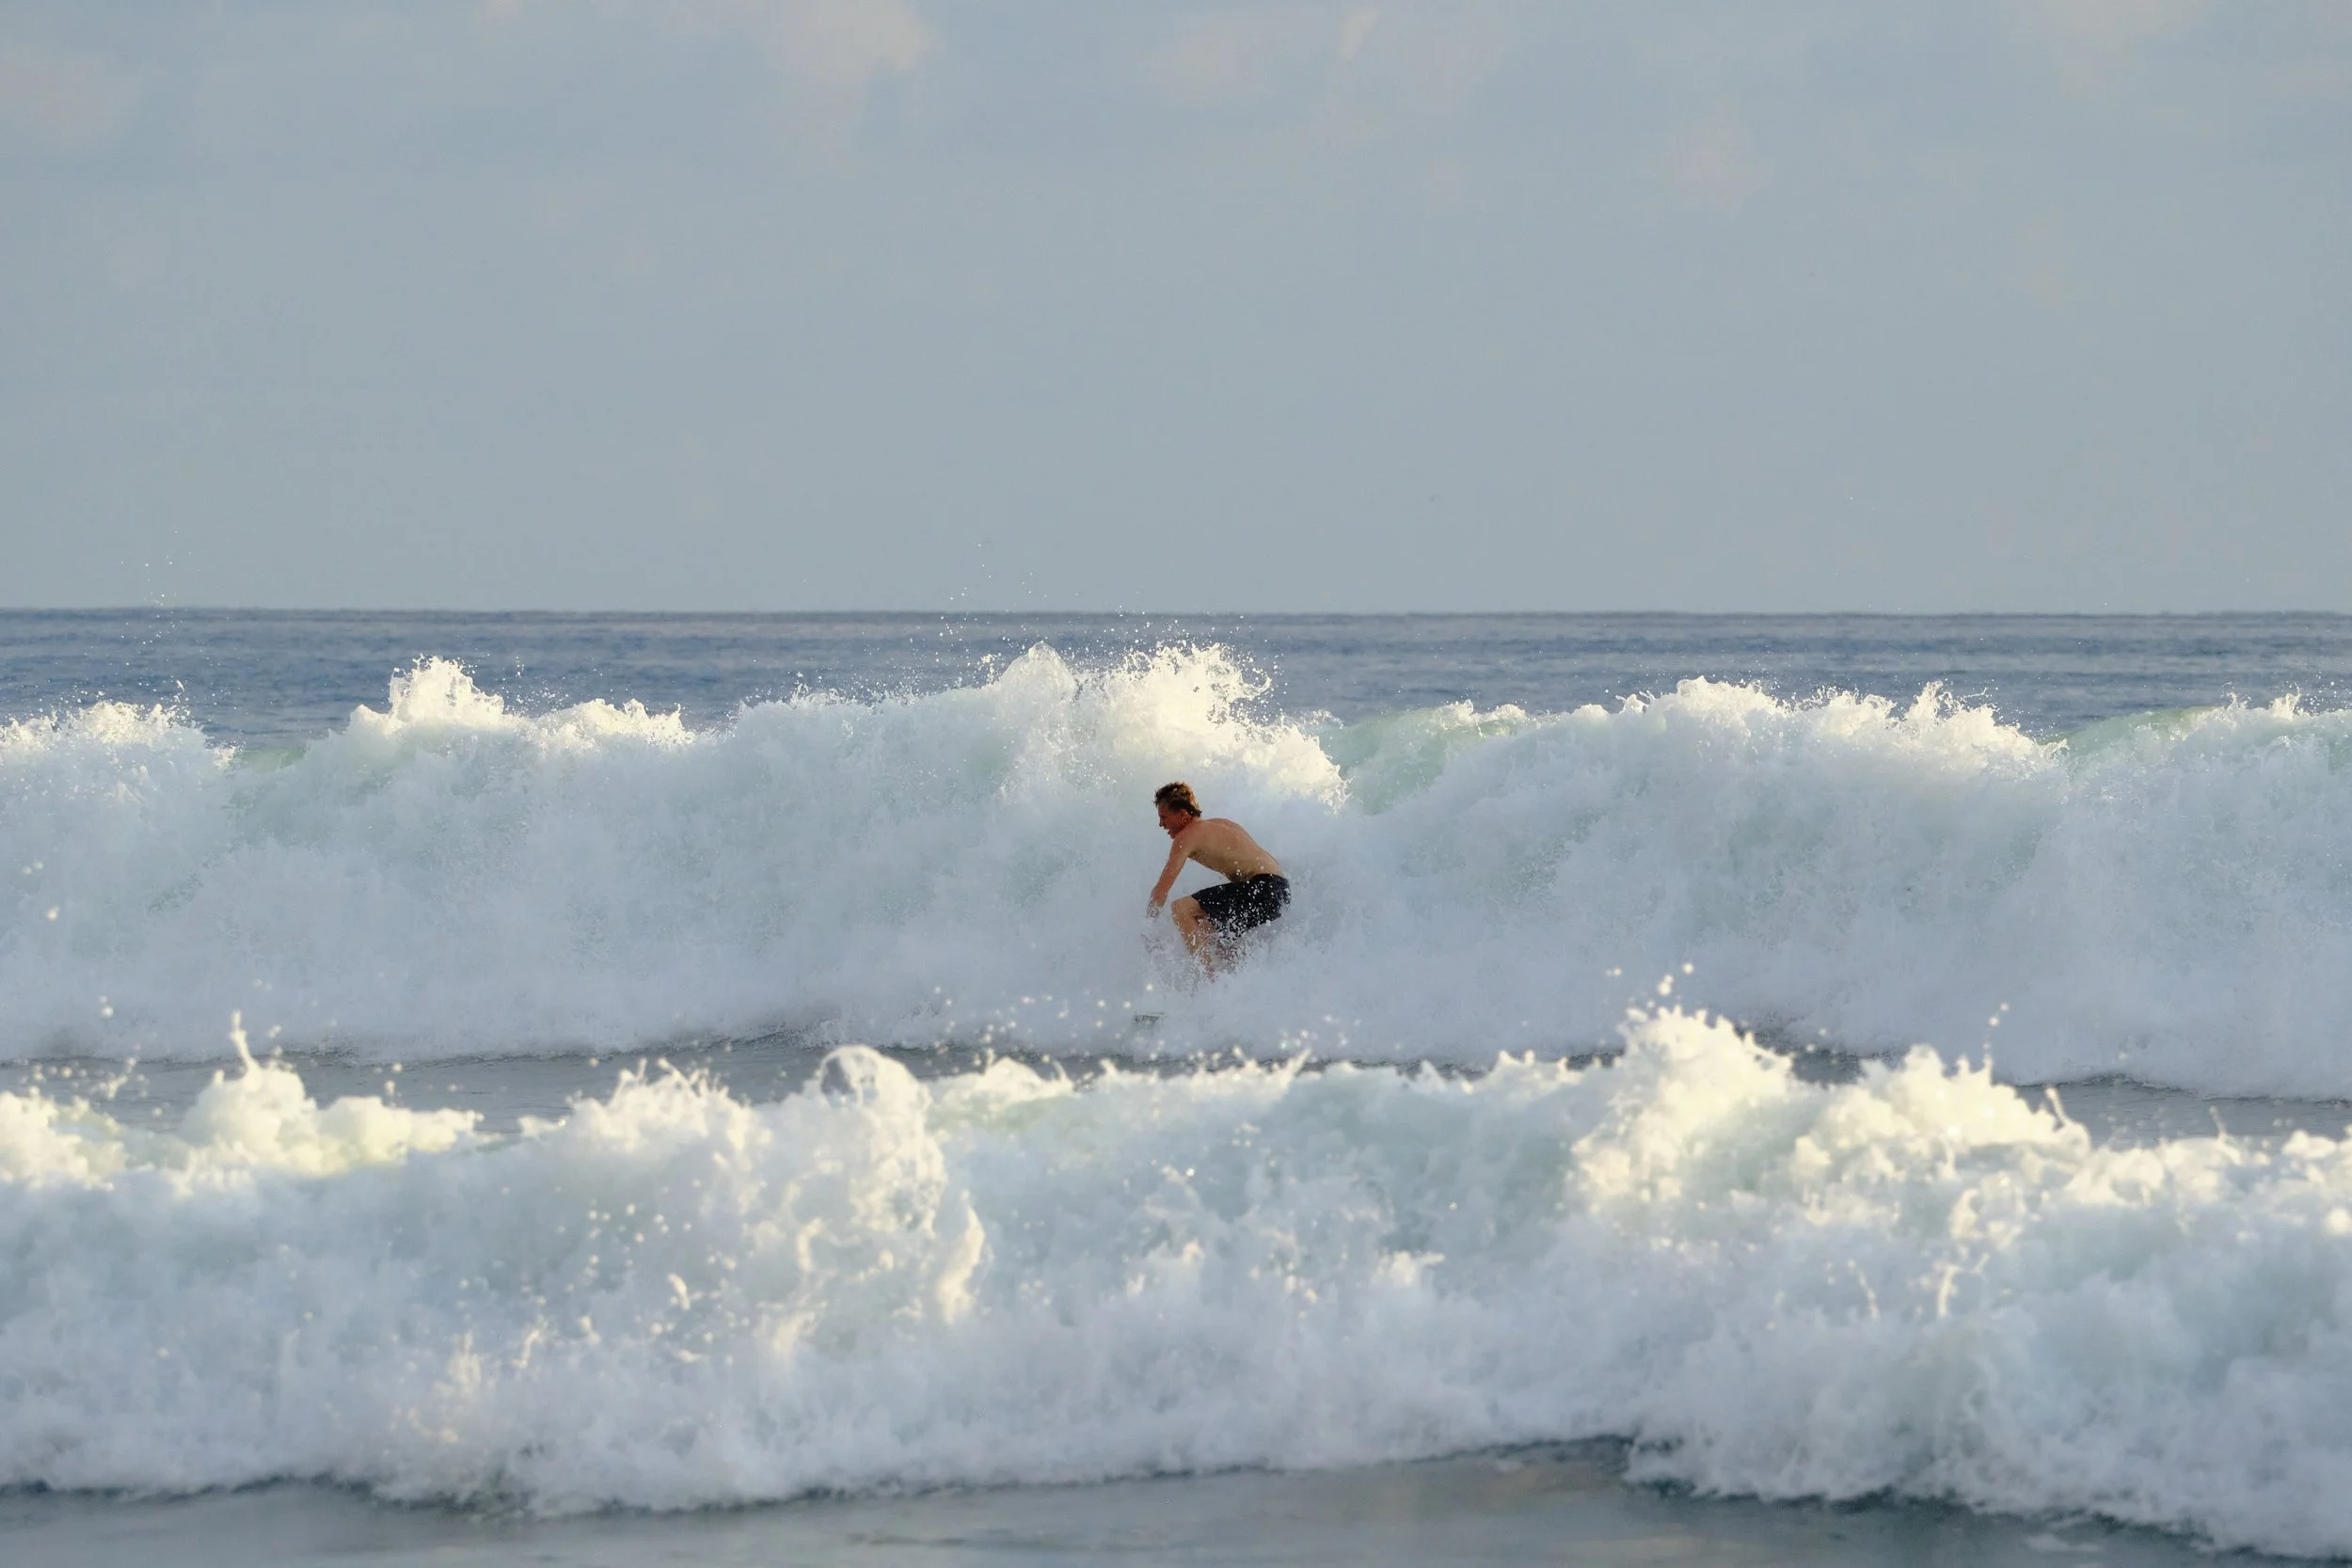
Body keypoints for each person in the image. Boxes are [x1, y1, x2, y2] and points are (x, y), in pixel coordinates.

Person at [1146, 781, 1289, 974]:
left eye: (1164, 817)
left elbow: (1161, 890)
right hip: (1279, 891)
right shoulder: (1222, 824)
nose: (1161, 824)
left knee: (1181, 909)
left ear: (1182, 814)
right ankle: (1244, 975)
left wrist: (1148, 928)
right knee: (1206, 932)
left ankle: (1209, 980)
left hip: (1264, 887)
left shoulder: (1186, 837)